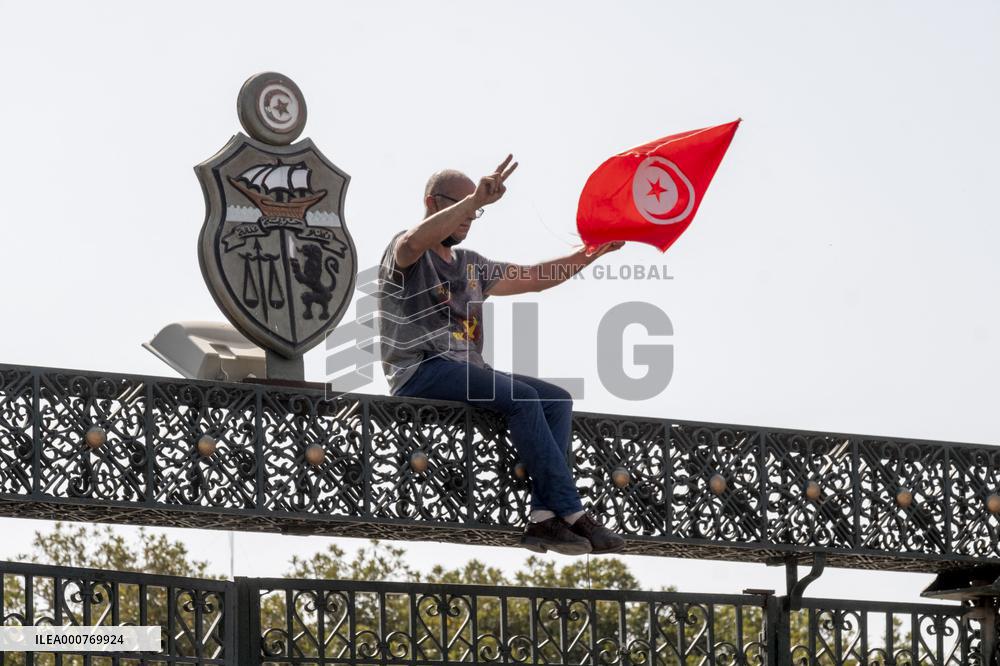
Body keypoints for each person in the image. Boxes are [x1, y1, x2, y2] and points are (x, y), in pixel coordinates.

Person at [377, 154, 626, 555]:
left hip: (466, 371)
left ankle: (544, 519)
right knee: (523, 399)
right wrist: (476, 198)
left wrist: (589, 253)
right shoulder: (407, 251)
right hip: (421, 369)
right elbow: (413, 242)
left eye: (474, 213)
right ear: (431, 202)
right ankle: (574, 513)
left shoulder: (471, 265)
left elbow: (534, 279)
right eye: (461, 207)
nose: (468, 218)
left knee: (555, 400)